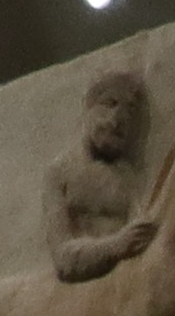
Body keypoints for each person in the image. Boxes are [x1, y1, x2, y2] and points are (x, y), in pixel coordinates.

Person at [47, 70, 159, 284]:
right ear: (88, 108)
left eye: (130, 111)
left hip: (121, 285)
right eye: (110, 103)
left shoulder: (130, 180)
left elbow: (145, 241)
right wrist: (117, 244)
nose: (118, 119)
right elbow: (63, 259)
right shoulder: (61, 173)